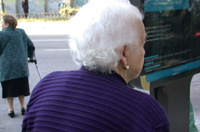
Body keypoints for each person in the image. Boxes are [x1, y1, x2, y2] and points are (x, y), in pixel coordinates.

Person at [22, 0, 170, 131]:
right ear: (124, 53)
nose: (144, 52)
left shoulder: (46, 85)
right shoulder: (145, 111)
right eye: (142, 44)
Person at [0, 14, 35, 118]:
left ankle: (11, 109)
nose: (1, 24)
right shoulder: (21, 32)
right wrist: (30, 57)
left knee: (9, 87)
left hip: (7, 66)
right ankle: (23, 106)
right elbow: (31, 45)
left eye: (2, 22)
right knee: (21, 87)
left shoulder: (1, 34)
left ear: (6, 23)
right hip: (21, 65)